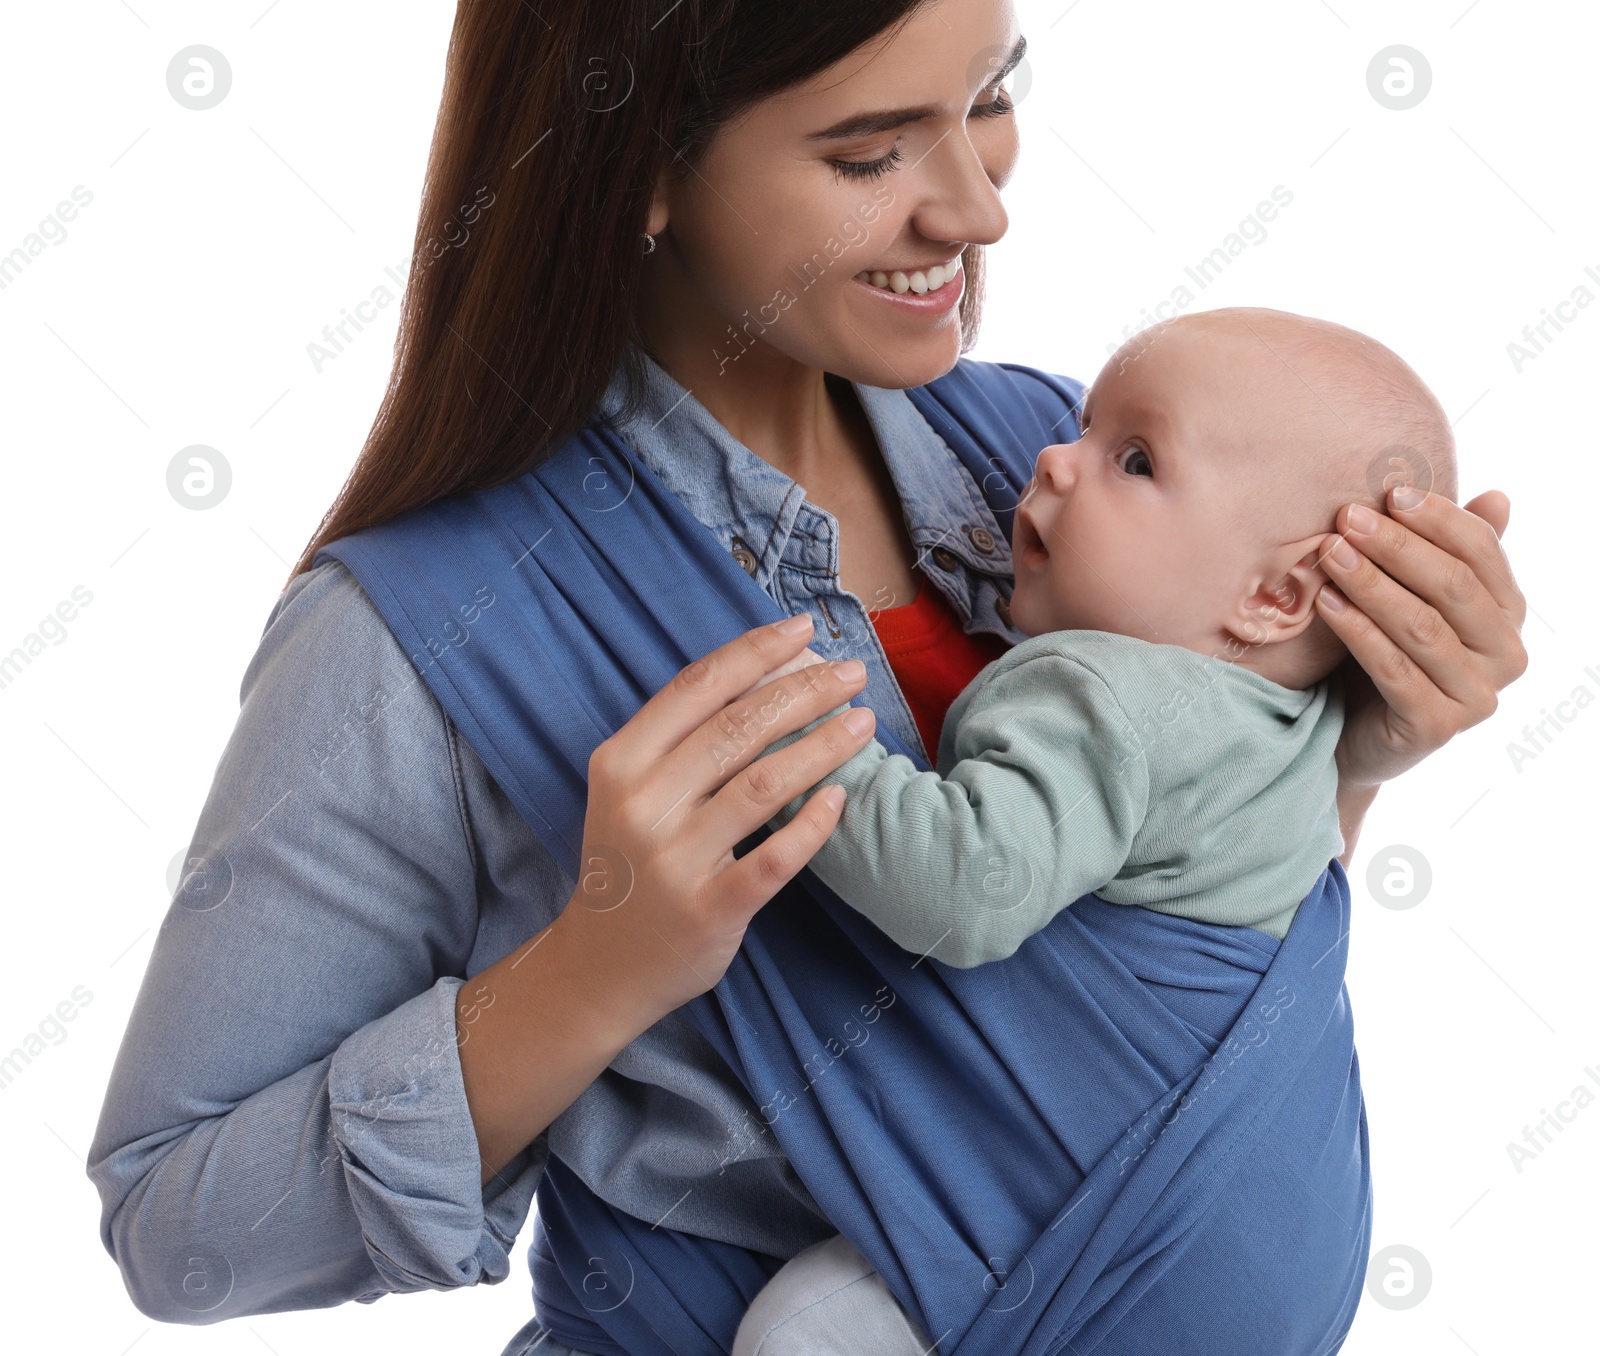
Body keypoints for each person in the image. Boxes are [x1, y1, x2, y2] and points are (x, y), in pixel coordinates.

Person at [84, 2, 1526, 1353]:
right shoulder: (416, 635)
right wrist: (590, 973)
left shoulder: (1040, 455)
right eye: (869, 150)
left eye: (991, 97)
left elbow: (1163, 1022)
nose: (978, 206)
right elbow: (174, 1221)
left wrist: (1351, 750)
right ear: (636, 162)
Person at [729, 306, 1459, 1351]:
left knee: (796, 1329)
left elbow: (961, 888)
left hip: (1116, 1242)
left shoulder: (1102, 694)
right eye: (1079, 426)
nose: (1053, 461)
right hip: (1271, 1260)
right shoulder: (1302, 722)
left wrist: (802, 734)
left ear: (1276, 594)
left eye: (1133, 459)